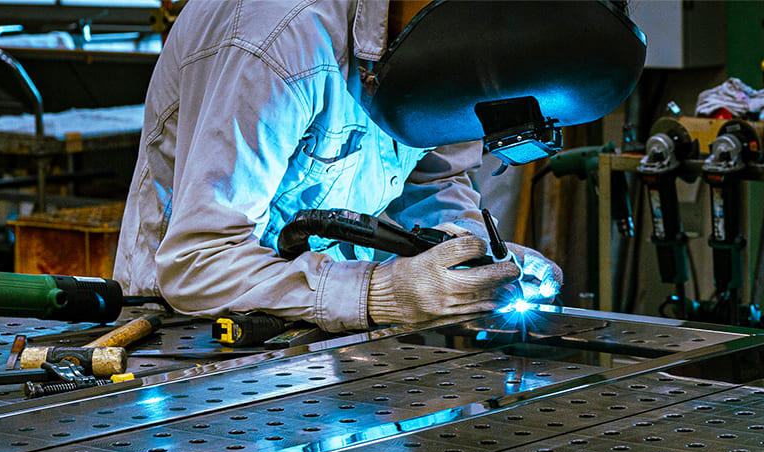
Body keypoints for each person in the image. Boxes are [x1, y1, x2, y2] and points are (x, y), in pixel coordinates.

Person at [114, 0, 563, 332]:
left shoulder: (452, 46)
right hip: (186, 333)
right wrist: (380, 292)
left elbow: (433, 178)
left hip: (325, 336)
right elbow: (198, 262)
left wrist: (473, 256)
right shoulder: (277, 37)